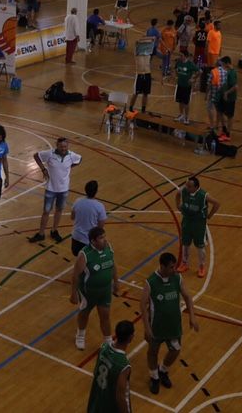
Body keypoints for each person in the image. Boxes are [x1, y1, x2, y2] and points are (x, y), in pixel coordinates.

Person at [142, 251, 199, 395]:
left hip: (173, 325)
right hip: (156, 326)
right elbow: (142, 305)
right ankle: (154, 377)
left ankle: (163, 371)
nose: (174, 269)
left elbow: (187, 297)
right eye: (171, 267)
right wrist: (147, 328)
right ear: (162, 266)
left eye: (175, 267)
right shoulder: (151, 282)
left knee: (175, 350)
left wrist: (192, 316)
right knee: (152, 352)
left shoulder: (177, 278)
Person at [72, 226, 118, 350]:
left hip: (105, 291)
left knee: (105, 315)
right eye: (101, 238)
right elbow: (75, 275)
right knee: (84, 313)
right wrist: (73, 293)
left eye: (104, 236)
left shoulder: (109, 247)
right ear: (93, 241)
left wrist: (116, 282)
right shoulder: (84, 254)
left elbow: (113, 265)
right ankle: (80, 335)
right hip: (88, 292)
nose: (104, 239)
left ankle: (108, 341)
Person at [29, 137, 83, 244]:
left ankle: (54, 231)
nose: (63, 148)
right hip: (50, 189)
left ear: (68, 146)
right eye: (61, 146)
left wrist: (70, 166)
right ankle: (41, 233)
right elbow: (36, 156)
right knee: (46, 211)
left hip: (64, 190)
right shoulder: (49, 154)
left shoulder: (72, 155)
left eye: (65, 146)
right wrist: (43, 169)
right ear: (56, 146)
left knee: (59, 210)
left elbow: (80, 159)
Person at [87, 319, 134, 413]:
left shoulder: (104, 347)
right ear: (131, 338)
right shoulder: (123, 365)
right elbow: (120, 396)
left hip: (96, 398)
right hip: (109, 405)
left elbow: (95, 371)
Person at [177, 176, 220, 278]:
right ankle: (184, 263)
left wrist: (210, 215)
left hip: (199, 224)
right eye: (186, 185)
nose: (186, 187)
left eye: (189, 186)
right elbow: (177, 194)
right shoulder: (184, 191)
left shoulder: (203, 195)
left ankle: (201, 267)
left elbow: (217, 203)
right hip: (187, 221)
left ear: (196, 187)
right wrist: (177, 205)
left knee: (200, 246)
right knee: (185, 244)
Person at [69, 180, 108, 256]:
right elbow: (100, 227)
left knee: (79, 260)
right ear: (96, 191)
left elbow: (72, 217)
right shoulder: (99, 206)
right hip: (89, 241)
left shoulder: (78, 201)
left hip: (76, 238)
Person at [214, 56, 238, 141]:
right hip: (224, 96)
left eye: (223, 63)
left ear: (227, 63)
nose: (222, 65)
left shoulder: (232, 73)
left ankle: (228, 134)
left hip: (230, 98)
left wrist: (226, 93)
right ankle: (224, 129)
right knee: (220, 112)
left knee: (229, 116)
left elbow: (235, 87)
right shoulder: (228, 71)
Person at [173, 51, 199, 124]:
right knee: (180, 101)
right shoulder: (178, 62)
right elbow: (175, 69)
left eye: (181, 55)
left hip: (187, 86)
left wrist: (193, 79)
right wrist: (177, 76)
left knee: (186, 102)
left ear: (185, 56)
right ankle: (181, 115)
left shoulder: (190, 64)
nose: (180, 57)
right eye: (180, 55)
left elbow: (199, 71)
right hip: (180, 84)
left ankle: (186, 117)